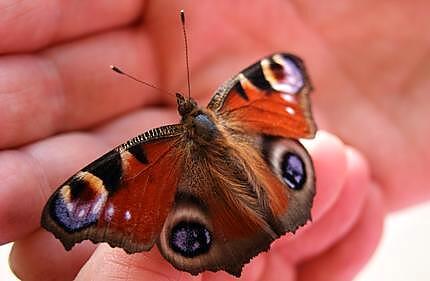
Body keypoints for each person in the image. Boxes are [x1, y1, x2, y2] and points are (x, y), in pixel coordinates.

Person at [0, 1, 427, 280]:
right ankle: (254, 217)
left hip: (220, 191)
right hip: (256, 161)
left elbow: (284, 70)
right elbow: (278, 72)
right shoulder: (235, 103)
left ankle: (246, 221)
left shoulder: (151, 153)